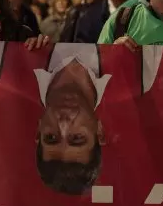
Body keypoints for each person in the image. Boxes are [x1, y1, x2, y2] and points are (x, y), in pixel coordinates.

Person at [35, 44, 110, 195]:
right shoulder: (139, 72)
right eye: (77, 138)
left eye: (51, 137)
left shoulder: (1, 67)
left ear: (38, 131)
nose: (63, 124)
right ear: (99, 132)